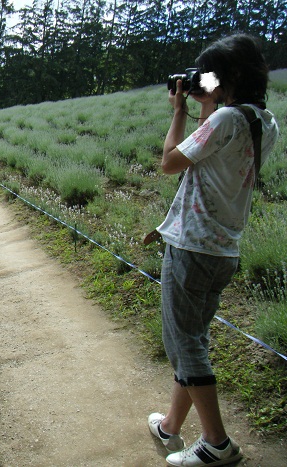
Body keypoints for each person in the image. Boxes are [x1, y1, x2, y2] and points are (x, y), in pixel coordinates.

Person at [148, 33, 279, 466]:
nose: (202, 82)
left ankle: (216, 444)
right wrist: (209, 102)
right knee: (195, 339)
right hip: (223, 249)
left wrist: (181, 111)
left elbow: (169, 162)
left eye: (210, 77)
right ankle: (170, 426)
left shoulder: (223, 121)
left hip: (193, 246)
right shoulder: (263, 121)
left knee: (184, 344)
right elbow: (220, 157)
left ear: (228, 78)